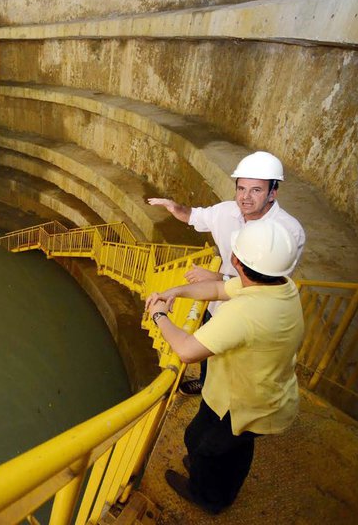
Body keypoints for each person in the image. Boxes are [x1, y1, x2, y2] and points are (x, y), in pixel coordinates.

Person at [144, 220, 305, 514]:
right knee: (220, 443)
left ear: (235, 260)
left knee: (205, 447)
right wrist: (176, 292)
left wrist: (159, 316)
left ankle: (209, 498)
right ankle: (216, 480)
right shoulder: (280, 287)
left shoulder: (246, 313)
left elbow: (187, 350)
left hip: (248, 404)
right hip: (258, 394)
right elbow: (220, 289)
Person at [147, 151, 305, 395]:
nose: (245, 197)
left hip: (246, 309)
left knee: (233, 358)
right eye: (241, 189)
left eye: (256, 190)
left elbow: (267, 283)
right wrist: (175, 207)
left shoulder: (287, 232)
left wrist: (218, 278)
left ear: (273, 192)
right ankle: (206, 382)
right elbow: (194, 216)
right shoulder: (227, 211)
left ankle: (224, 392)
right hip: (221, 300)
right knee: (209, 348)